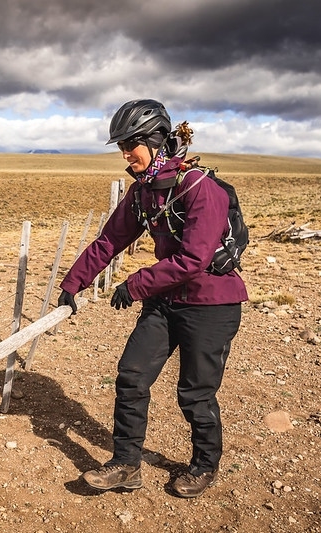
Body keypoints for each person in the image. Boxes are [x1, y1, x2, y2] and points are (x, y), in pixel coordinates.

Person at [57, 99, 247, 498]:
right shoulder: (143, 192)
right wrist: (73, 285)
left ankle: (204, 465)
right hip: (166, 301)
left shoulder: (199, 187)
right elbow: (109, 240)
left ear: (156, 141)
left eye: (131, 144)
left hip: (211, 304)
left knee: (195, 392)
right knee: (131, 376)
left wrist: (137, 283)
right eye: (122, 146)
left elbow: (194, 259)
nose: (125, 154)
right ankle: (126, 464)